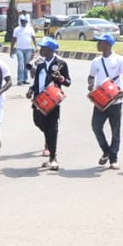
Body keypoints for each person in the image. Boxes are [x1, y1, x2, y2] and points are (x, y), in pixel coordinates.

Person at [88, 34, 123, 170]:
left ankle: (113, 158)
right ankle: (106, 150)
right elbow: (91, 77)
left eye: (100, 42)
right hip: (100, 100)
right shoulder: (96, 61)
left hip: (115, 99)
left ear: (108, 44)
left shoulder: (119, 59)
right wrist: (90, 85)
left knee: (115, 130)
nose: (98, 44)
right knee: (96, 126)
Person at [27, 38, 71, 171]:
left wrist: (61, 78)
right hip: (39, 100)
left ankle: (53, 157)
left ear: (50, 50)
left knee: (52, 128)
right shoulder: (40, 63)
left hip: (52, 100)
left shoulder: (61, 63)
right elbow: (36, 82)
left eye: (43, 48)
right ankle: (48, 141)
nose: (41, 50)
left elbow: (68, 82)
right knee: (38, 122)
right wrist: (30, 90)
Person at [12, 16, 37, 85]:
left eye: (24, 21)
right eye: (22, 21)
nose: (23, 22)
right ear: (20, 21)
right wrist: (12, 49)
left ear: (27, 21)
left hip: (28, 49)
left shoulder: (30, 29)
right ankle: (20, 79)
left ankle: (25, 79)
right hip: (19, 49)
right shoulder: (16, 29)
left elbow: (33, 38)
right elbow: (13, 39)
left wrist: (36, 46)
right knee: (20, 64)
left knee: (27, 65)